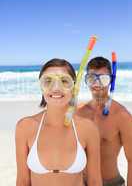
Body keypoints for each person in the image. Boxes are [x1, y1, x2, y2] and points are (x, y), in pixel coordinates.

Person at [15, 58, 102, 186]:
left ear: (74, 87)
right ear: (41, 86)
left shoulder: (88, 129)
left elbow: (94, 181)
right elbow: (22, 181)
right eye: (48, 81)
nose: (56, 88)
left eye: (64, 81)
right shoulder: (25, 127)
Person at [76, 56, 132, 186]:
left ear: (111, 81)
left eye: (103, 78)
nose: (97, 84)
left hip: (111, 183)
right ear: (87, 80)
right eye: (92, 78)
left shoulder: (122, 116)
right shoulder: (78, 113)